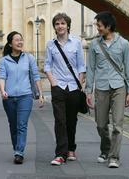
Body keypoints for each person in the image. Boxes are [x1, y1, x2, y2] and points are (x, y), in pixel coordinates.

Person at [85, 11, 129, 168]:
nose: (97, 28)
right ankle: (105, 149)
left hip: (119, 87)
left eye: (99, 25)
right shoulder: (94, 44)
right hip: (101, 88)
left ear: (108, 26)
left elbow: (128, 68)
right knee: (101, 124)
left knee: (118, 125)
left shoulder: (124, 43)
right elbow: (90, 68)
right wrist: (88, 91)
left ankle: (114, 157)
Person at [44, 12, 86, 166]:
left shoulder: (76, 43)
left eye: (62, 23)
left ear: (68, 25)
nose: (60, 26)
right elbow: (47, 65)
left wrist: (80, 82)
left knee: (71, 120)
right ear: (54, 27)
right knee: (60, 120)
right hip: (59, 86)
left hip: (74, 87)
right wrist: (53, 82)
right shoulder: (50, 44)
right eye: (57, 24)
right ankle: (60, 154)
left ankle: (71, 148)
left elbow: (81, 65)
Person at [0, 31, 44, 164]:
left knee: (22, 125)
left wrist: (40, 94)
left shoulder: (29, 58)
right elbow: (2, 77)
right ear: (10, 43)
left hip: (25, 96)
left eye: (21, 40)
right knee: (13, 125)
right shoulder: (4, 61)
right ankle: (17, 149)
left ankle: (19, 152)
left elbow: (36, 76)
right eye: (17, 40)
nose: (20, 42)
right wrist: (3, 91)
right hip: (9, 98)